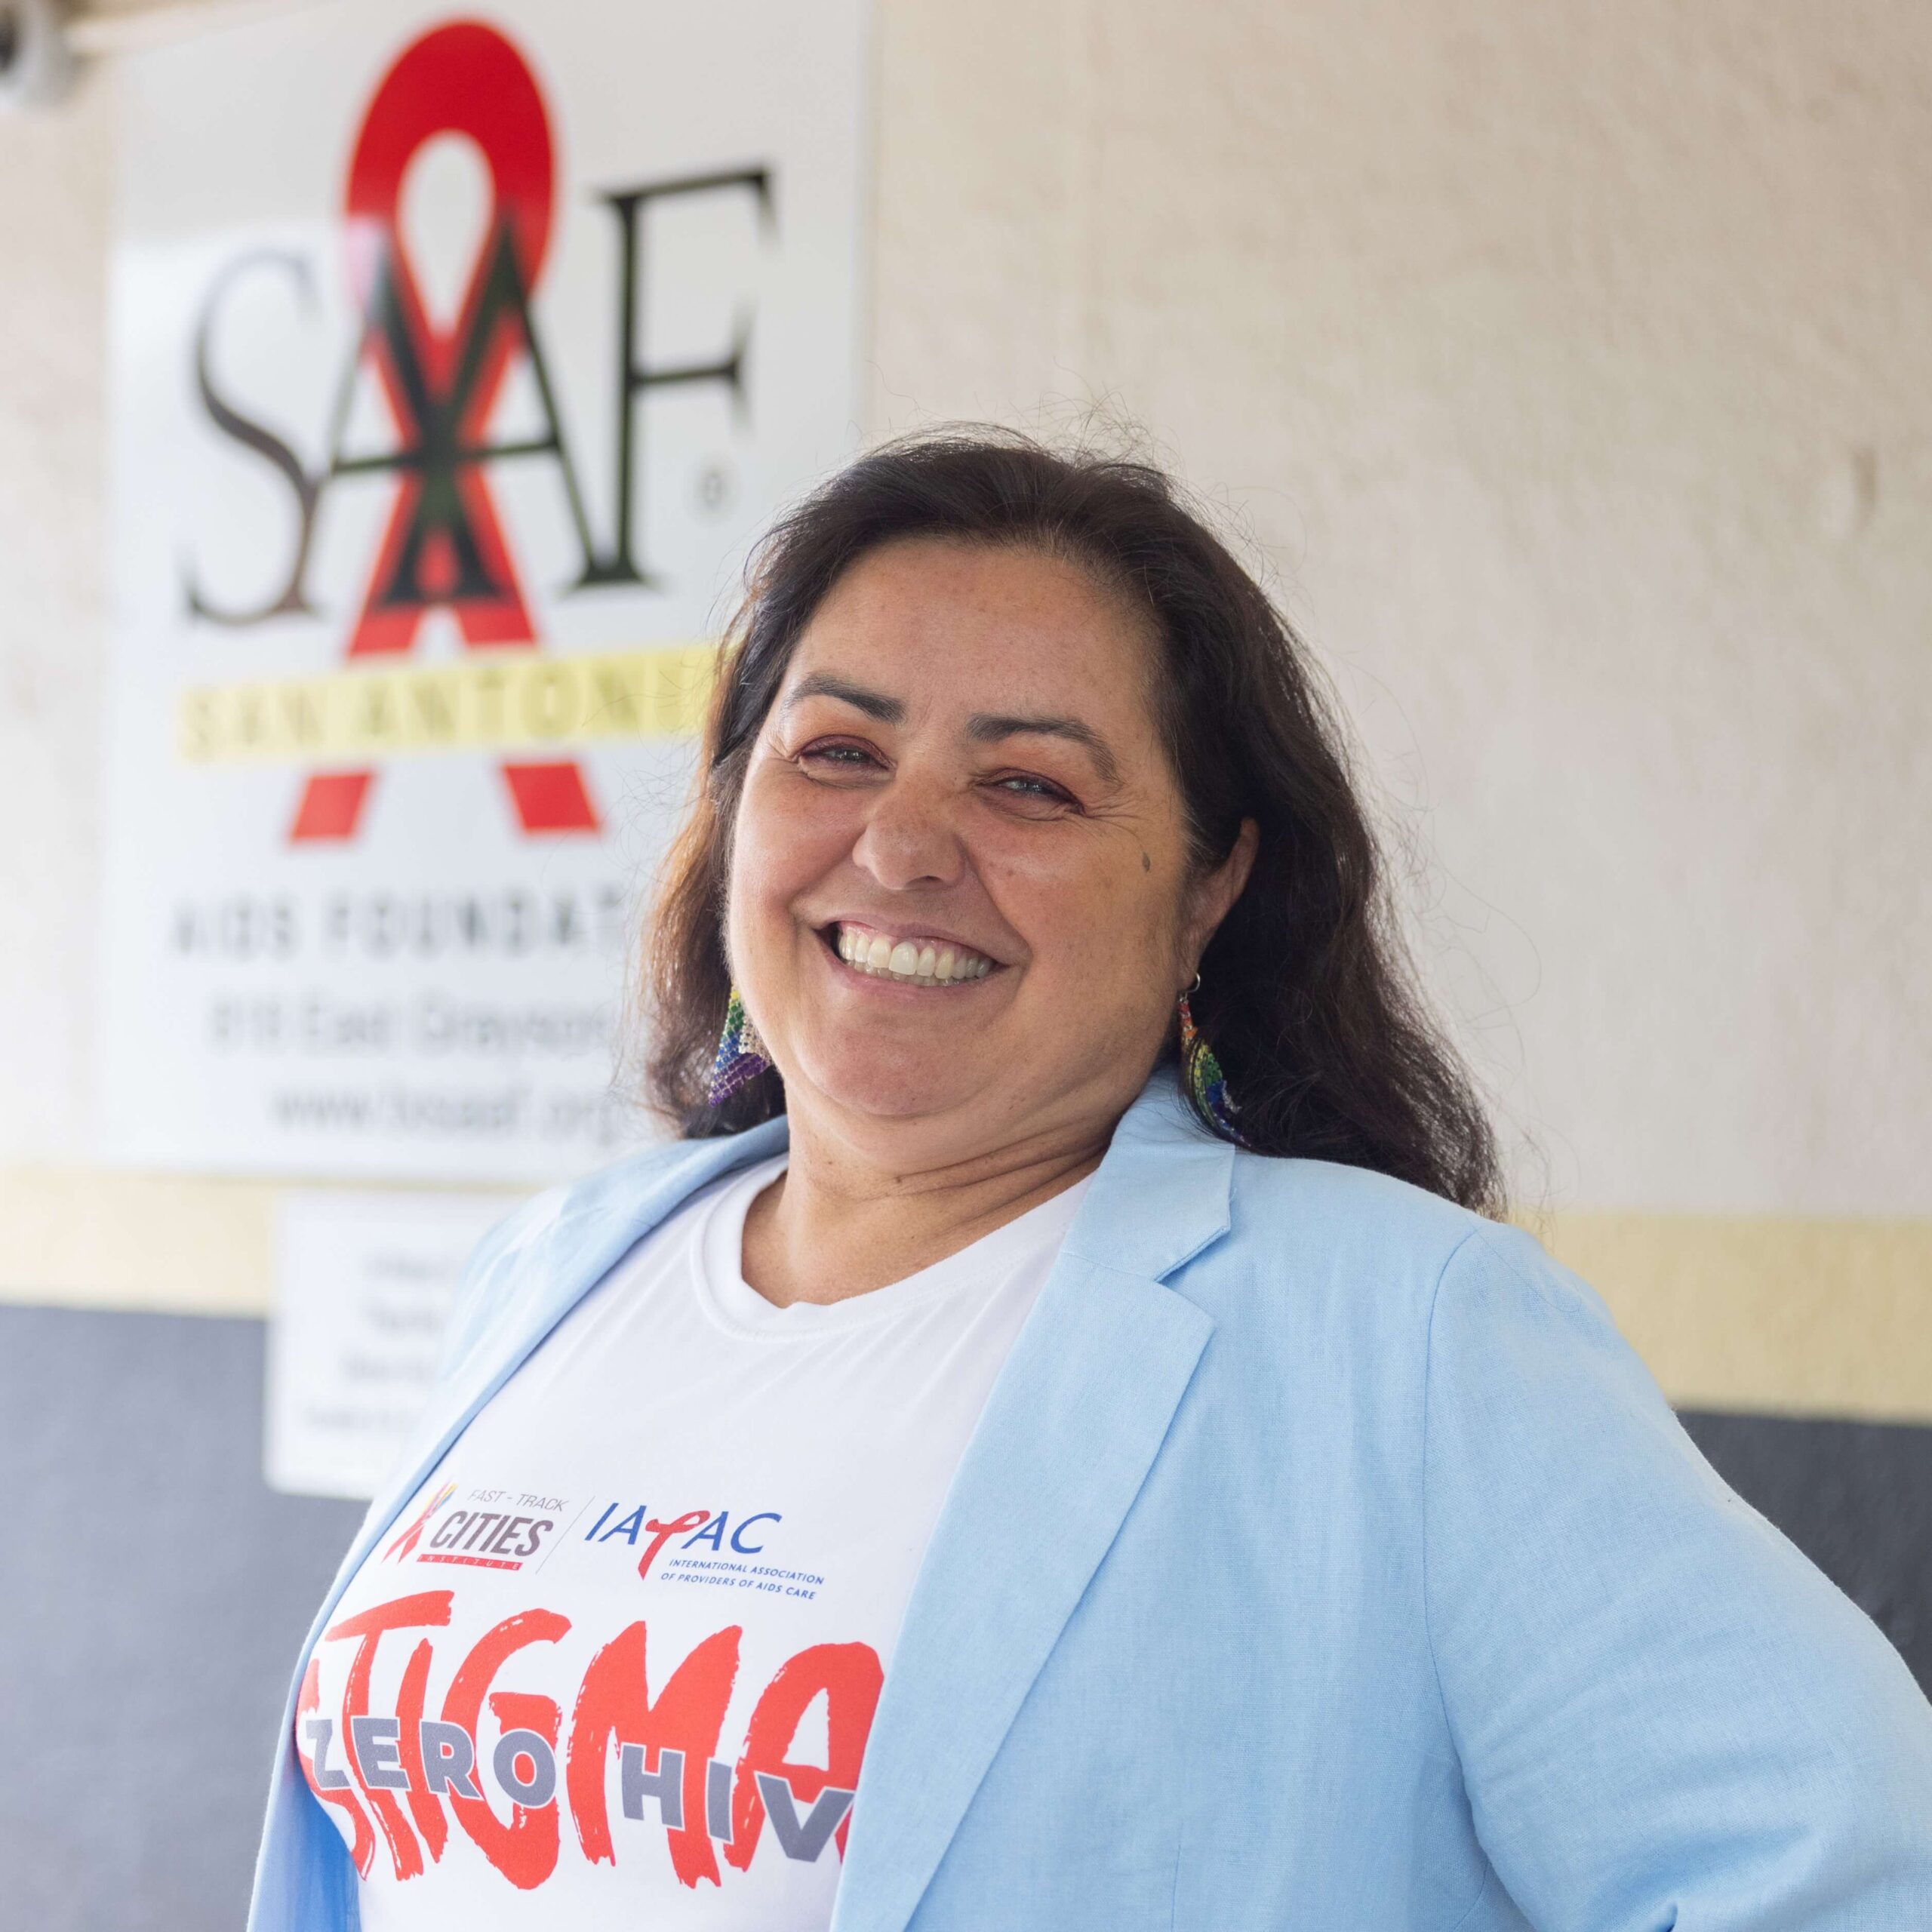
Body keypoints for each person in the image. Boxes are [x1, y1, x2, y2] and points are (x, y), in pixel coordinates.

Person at [250, 431, 1932, 1931]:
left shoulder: (1398, 1337)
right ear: (733, 801)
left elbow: (1850, 1870)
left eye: (1027, 784)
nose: (902, 843)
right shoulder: (552, 1270)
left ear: (1209, 885)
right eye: (835, 749)